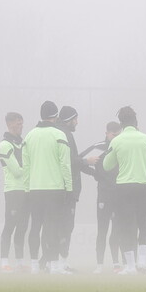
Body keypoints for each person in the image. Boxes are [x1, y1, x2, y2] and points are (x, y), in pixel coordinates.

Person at [102, 106, 146, 274]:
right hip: (142, 187)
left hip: (123, 188)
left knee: (126, 226)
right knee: (144, 225)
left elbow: (106, 165)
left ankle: (130, 266)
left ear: (121, 124)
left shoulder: (116, 141)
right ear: (136, 122)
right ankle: (142, 262)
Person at [23, 100, 73, 275]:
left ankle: (35, 266)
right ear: (56, 116)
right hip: (55, 189)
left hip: (35, 189)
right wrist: (70, 188)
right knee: (52, 227)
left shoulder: (29, 136)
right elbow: (65, 165)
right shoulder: (59, 135)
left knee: (35, 226)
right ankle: (54, 266)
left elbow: (26, 167)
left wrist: (27, 189)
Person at [80, 121, 122, 273]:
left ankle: (116, 263)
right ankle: (99, 265)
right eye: (114, 135)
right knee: (102, 230)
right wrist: (95, 174)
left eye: (119, 135)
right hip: (104, 195)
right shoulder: (98, 147)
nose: (116, 138)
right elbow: (79, 161)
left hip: (119, 195)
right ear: (107, 134)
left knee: (117, 230)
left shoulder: (122, 146)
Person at [0, 112, 29, 273]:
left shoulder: (22, 143)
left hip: (25, 190)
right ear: (10, 124)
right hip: (12, 191)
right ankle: (4, 262)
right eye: (18, 123)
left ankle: (19, 261)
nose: (21, 126)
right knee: (10, 226)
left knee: (23, 227)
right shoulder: (4, 145)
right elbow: (16, 171)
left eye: (22, 123)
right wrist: (30, 168)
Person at [56, 105, 82, 272]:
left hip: (62, 189)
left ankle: (58, 262)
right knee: (65, 226)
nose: (77, 122)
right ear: (68, 120)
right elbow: (71, 161)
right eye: (75, 119)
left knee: (61, 225)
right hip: (67, 190)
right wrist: (87, 162)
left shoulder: (62, 133)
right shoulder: (66, 135)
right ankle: (60, 263)